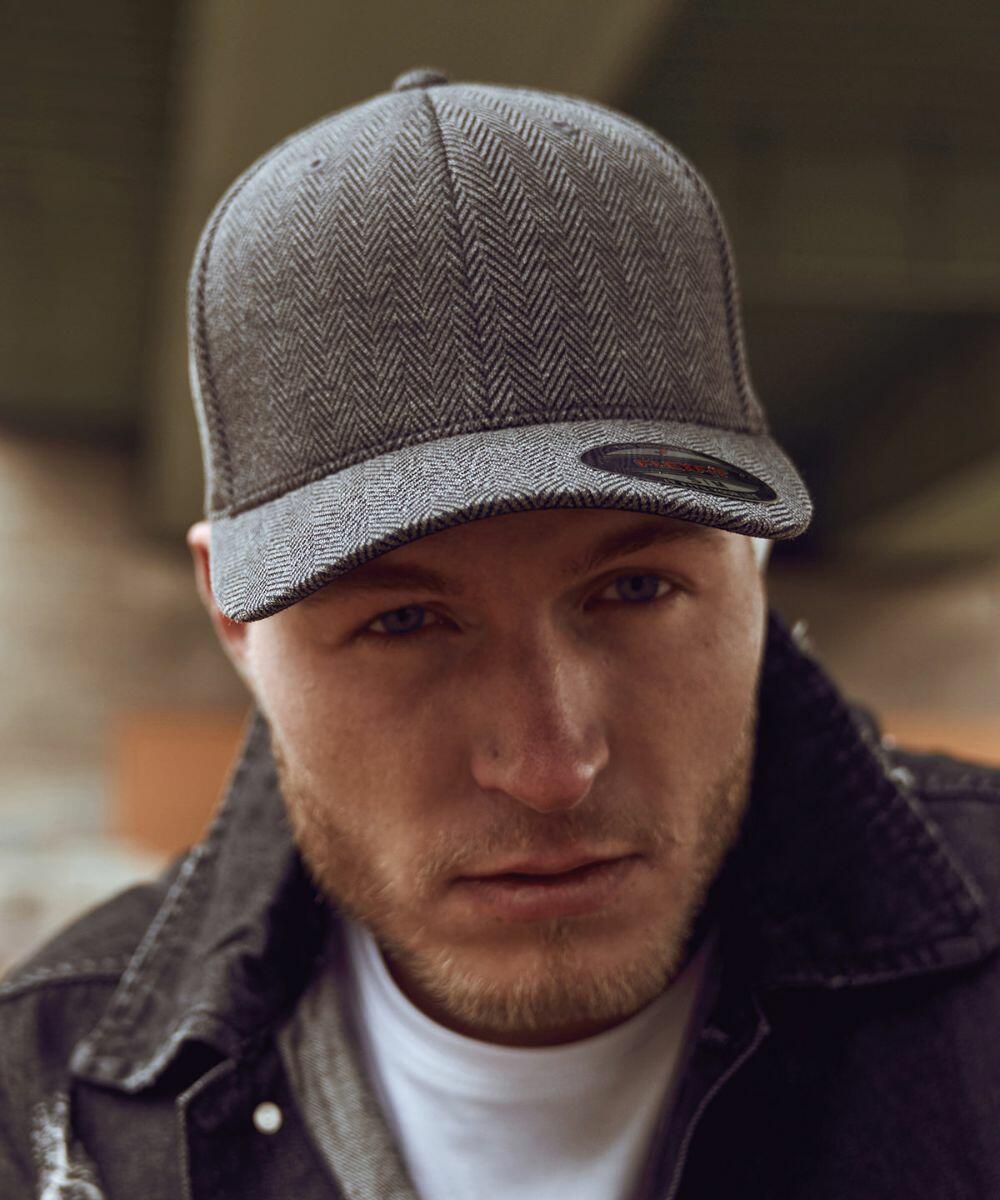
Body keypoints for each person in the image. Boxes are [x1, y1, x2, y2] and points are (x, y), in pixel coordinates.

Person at [1, 67, 997, 1200]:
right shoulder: (41, 1106)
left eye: (634, 592)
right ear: (232, 613)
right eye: (406, 618)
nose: (551, 766)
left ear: (754, 563)